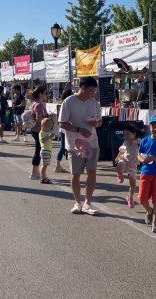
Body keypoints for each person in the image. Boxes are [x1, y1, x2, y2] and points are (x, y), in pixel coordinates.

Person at [58, 76, 102, 215]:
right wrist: (78, 129)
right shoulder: (69, 102)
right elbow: (62, 123)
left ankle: (88, 203)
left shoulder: (94, 103)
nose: (92, 94)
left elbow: (100, 121)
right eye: (91, 91)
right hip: (75, 144)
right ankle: (77, 202)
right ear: (82, 88)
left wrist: (96, 123)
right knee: (75, 174)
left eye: (94, 91)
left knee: (92, 172)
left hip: (93, 142)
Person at [115, 124, 141, 209]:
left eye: (128, 134)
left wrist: (134, 141)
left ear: (134, 134)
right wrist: (117, 156)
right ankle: (120, 174)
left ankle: (130, 198)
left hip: (132, 164)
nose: (125, 136)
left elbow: (139, 141)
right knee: (119, 165)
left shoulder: (137, 140)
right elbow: (122, 150)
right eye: (124, 134)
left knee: (133, 184)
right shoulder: (125, 142)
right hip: (125, 159)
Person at [29, 86, 50, 179]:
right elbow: (38, 119)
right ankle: (34, 172)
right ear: (41, 94)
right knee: (38, 151)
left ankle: (35, 171)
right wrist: (48, 118)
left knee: (38, 150)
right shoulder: (39, 105)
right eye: (45, 93)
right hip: (38, 130)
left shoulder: (35, 103)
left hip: (35, 130)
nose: (46, 95)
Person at [54, 88, 73, 173]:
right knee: (66, 147)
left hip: (63, 129)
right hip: (67, 128)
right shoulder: (68, 104)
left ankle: (58, 164)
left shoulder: (62, 103)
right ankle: (58, 165)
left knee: (63, 147)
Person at [38, 117, 54, 184]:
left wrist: (51, 137)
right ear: (43, 126)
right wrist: (49, 136)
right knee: (44, 165)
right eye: (49, 128)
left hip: (48, 151)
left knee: (45, 165)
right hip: (45, 150)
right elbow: (43, 141)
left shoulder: (46, 132)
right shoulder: (42, 133)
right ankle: (43, 178)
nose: (49, 129)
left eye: (50, 128)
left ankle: (43, 176)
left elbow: (48, 140)